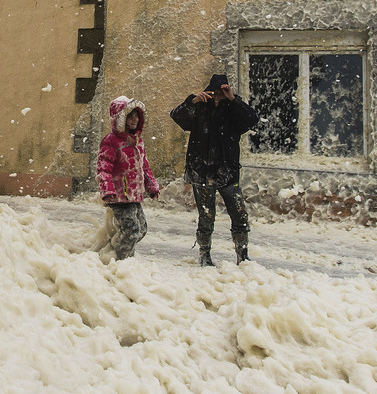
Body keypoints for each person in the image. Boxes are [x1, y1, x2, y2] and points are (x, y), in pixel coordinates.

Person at [170, 74, 260, 266]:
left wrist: (233, 99)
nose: (218, 96)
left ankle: (242, 255)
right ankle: (205, 255)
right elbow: (177, 116)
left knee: (239, 213)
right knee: (206, 216)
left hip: (227, 173)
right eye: (216, 92)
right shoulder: (200, 108)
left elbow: (252, 119)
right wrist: (193, 101)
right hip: (201, 171)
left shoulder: (233, 109)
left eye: (222, 92)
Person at [97, 96, 160, 260]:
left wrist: (151, 186)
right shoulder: (111, 141)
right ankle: (123, 261)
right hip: (118, 195)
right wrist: (107, 190)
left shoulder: (138, 142)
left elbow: (144, 166)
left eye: (136, 116)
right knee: (131, 230)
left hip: (134, 195)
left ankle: (113, 247)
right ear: (120, 118)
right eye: (129, 116)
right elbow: (104, 168)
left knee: (141, 229)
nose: (134, 119)